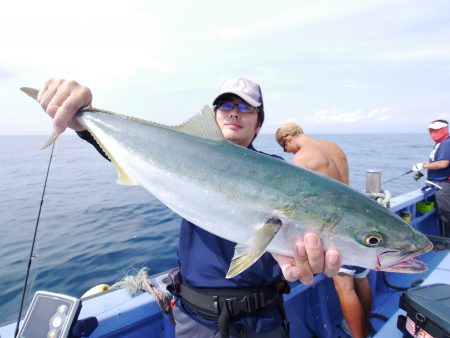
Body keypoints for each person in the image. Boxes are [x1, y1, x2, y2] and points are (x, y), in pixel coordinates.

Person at [37, 77, 342, 338]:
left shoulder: (282, 174)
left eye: (245, 107)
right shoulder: (179, 156)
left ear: (258, 122)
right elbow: (141, 156)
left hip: (264, 319)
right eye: (226, 105)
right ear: (214, 115)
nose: (234, 112)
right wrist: (83, 123)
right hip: (196, 321)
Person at [275, 122, 373, 338]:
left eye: (285, 148)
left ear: (288, 138)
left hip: (338, 232)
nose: (288, 152)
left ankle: (359, 335)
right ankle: (368, 323)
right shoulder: (333, 146)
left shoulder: (301, 160)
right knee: (362, 279)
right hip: (357, 223)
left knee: (345, 287)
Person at [412, 119, 450, 237]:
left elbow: (443, 163)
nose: (432, 133)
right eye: (430, 131)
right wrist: (423, 165)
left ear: (444, 129)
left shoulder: (446, 144)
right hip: (437, 184)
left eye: (435, 130)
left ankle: (447, 242)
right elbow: (436, 161)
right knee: (442, 214)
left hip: (443, 185)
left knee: (446, 214)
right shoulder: (440, 144)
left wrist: (423, 165)